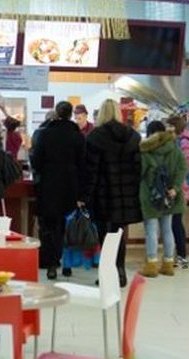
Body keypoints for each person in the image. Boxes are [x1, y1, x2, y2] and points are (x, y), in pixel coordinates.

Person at [79, 99, 142, 287]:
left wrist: (84, 196)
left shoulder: (95, 137)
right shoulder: (133, 136)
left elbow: (91, 171)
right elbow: (138, 168)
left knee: (104, 236)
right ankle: (120, 271)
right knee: (119, 235)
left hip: (102, 194)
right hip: (125, 196)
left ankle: (107, 274)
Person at [30, 101, 85, 280]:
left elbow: (36, 161)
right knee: (67, 226)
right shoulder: (77, 136)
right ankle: (67, 264)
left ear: (57, 113)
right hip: (71, 187)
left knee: (50, 226)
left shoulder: (45, 134)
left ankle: (51, 263)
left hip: (49, 186)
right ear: (70, 114)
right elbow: (83, 164)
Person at [139, 121, 187, 278]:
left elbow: (140, 173)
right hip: (169, 196)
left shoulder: (146, 150)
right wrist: (175, 188)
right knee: (167, 229)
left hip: (150, 196)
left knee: (151, 230)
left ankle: (151, 264)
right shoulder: (174, 148)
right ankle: (168, 264)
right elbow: (183, 169)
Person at [167, 115, 189, 269]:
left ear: (175, 127)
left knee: (175, 222)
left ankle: (181, 256)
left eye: (169, 126)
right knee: (173, 222)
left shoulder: (184, 143)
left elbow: (188, 166)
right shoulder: (177, 142)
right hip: (177, 187)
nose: (167, 129)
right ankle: (177, 256)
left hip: (180, 189)